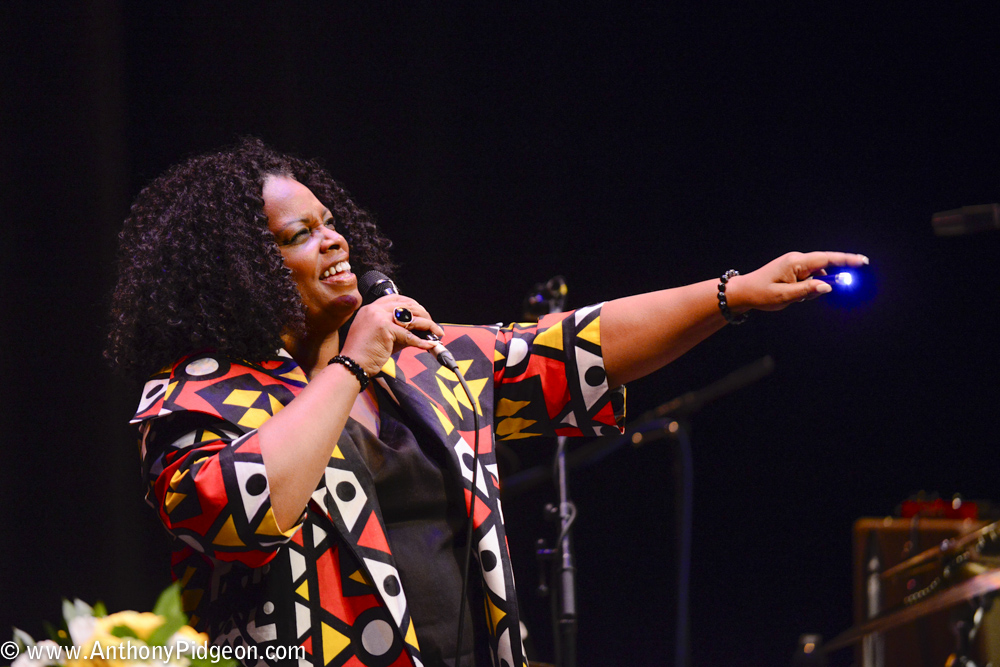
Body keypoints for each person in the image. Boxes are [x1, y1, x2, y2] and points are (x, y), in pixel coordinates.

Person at [107, 138, 867, 667]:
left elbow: (574, 348)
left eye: (331, 222)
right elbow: (248, 512)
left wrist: (730, 294)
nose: (334, 242)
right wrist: (348, 367)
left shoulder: (429, 366)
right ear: (240, 270)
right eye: (299, 235)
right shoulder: (198, 397)